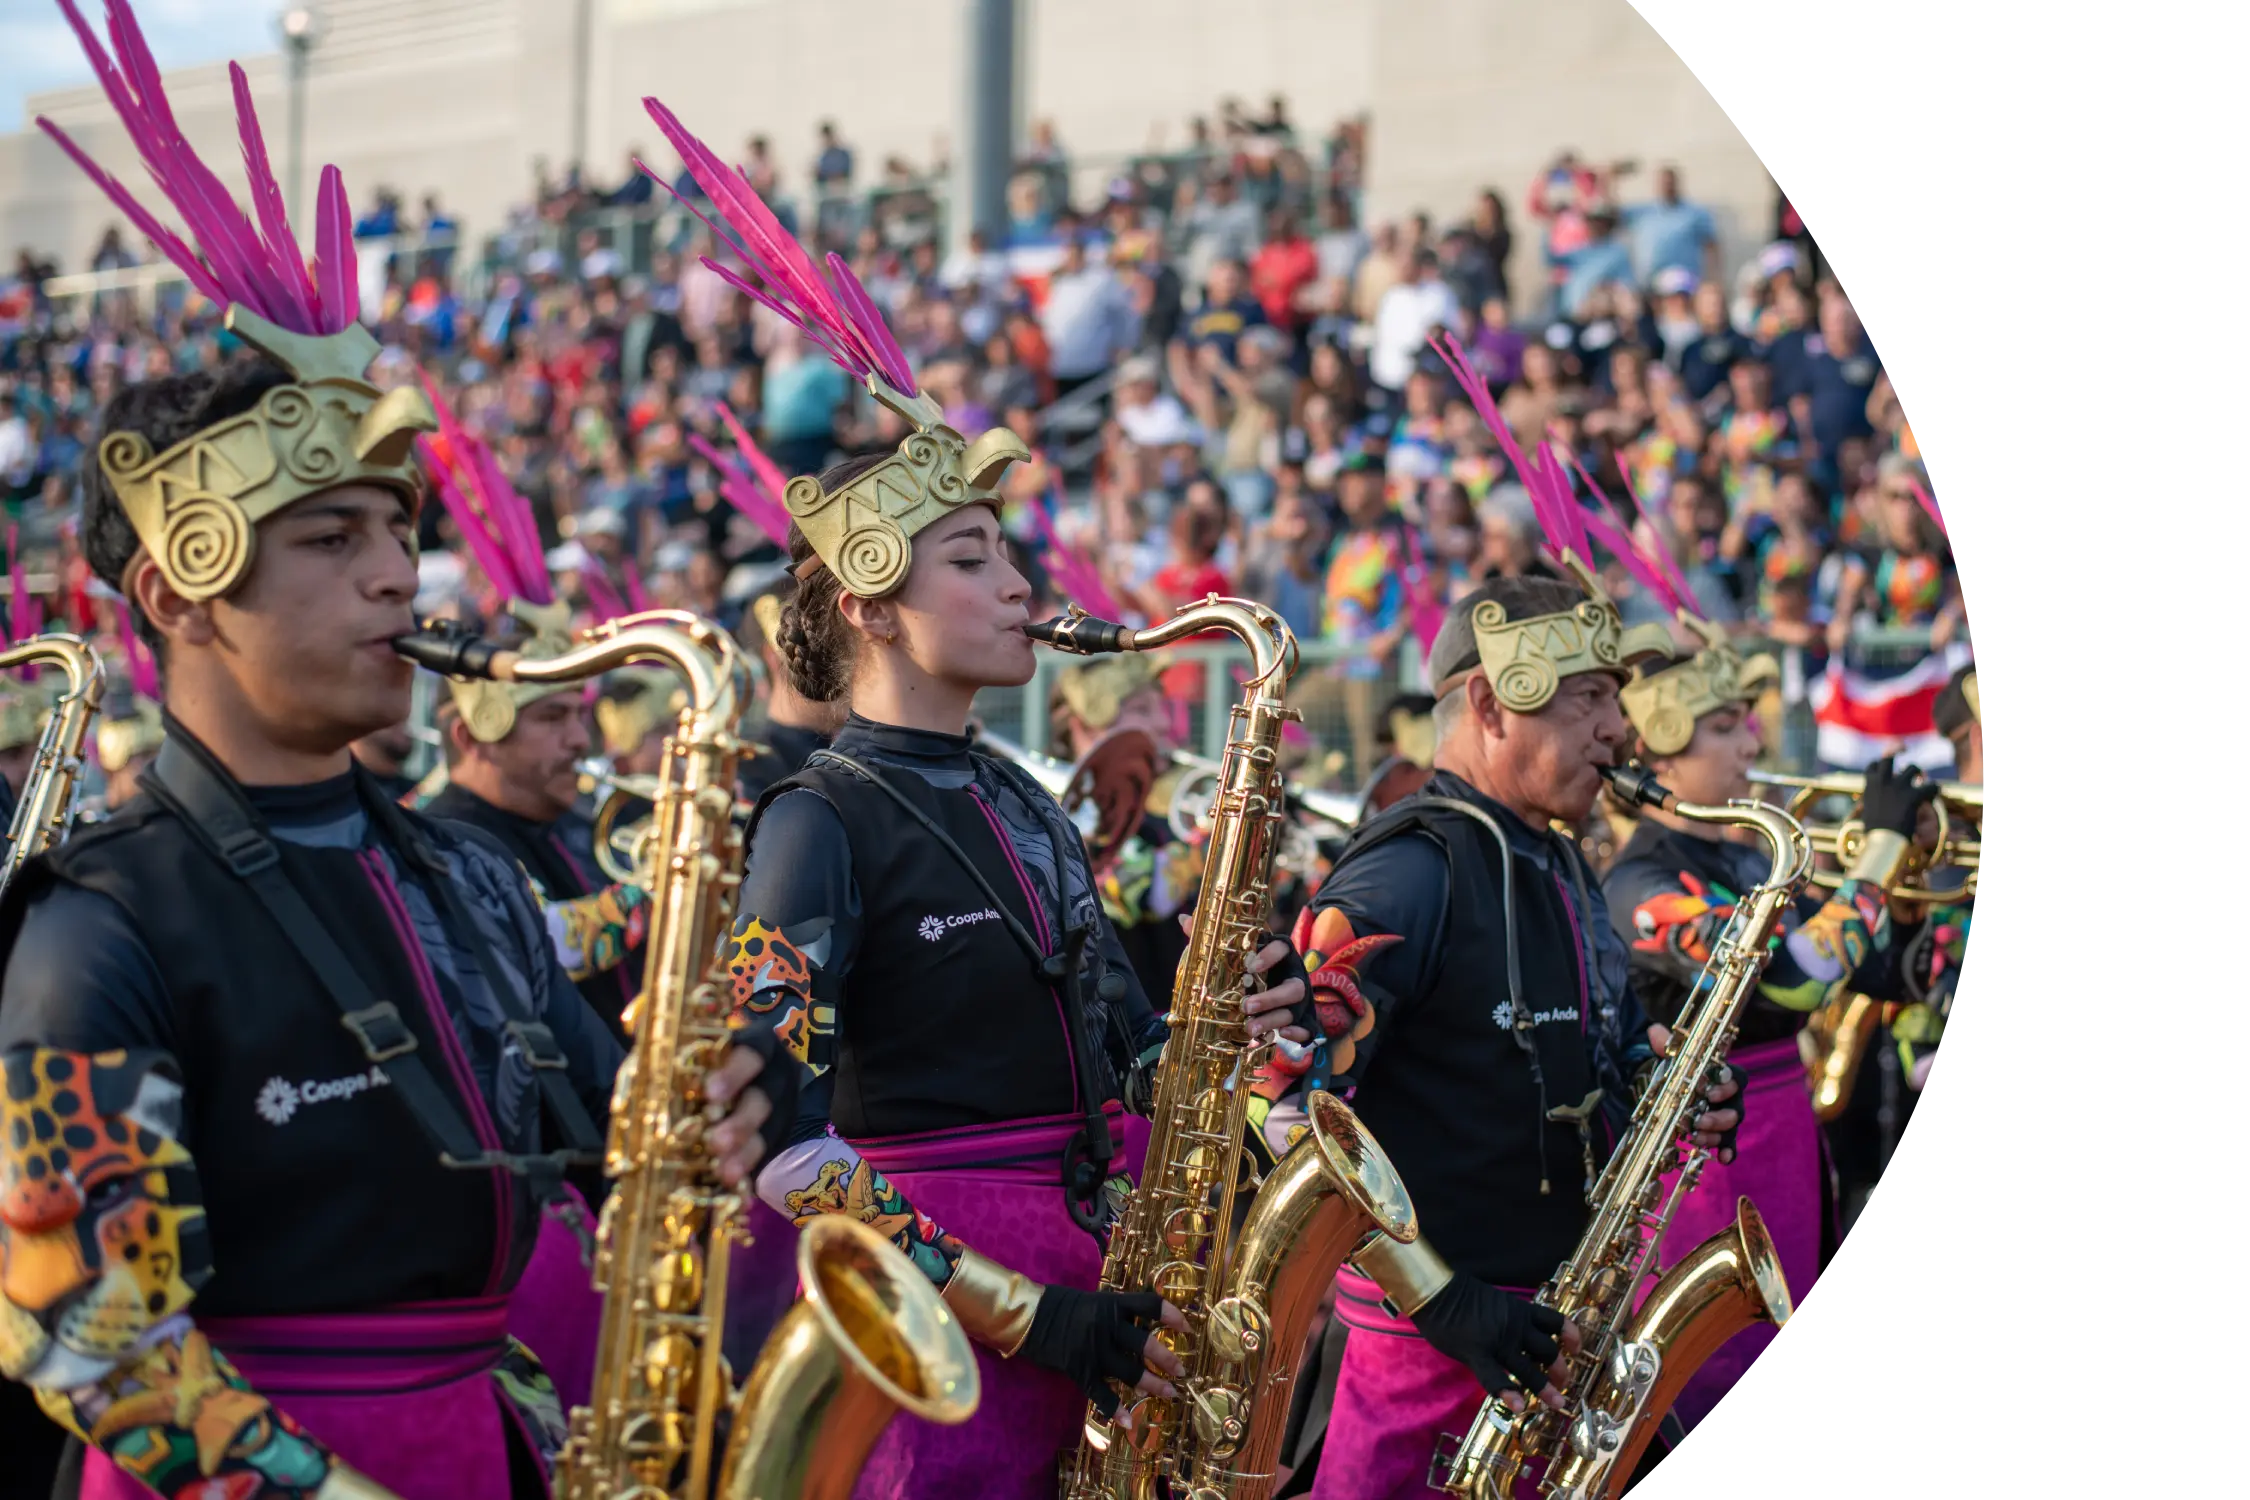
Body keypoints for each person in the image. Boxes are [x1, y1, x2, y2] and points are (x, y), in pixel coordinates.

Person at [0, 24, 790, 1497]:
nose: (399, 582)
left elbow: (618, 1122)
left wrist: (717, 1099)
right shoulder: (97, 923)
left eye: (401, 534)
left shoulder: (462, 878)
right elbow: (87, 1344)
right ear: (178, 591)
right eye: (331, 538)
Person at [643, 108, 1313, 1499]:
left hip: (1092, 1286)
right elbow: (776, 1135)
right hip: (936, 1328)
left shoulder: (1017, 792)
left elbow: (1107, 1040)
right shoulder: (813, 820)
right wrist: (1017, 1306)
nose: (1017, 585)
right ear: (870, 603)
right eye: (971, 557)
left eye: (1005, 552)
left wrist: (1190, 1039)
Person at [1254, 563, 1745, 1500]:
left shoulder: (1554, 854)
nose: (1619, 728)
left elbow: (1580, 1051)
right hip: (1427, 1372)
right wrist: (1443, 1299)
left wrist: (1660, 1088)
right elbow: (1276, 1098)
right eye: (1591, 697)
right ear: (1491, 701)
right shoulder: (1410, 871)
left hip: (1549, 1348)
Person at [1602, 612, 1937, 1438]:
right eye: (1723, 729)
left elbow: (1877, 965)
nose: (1751, 744)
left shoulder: (1752, 852)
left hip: (1787, 1133)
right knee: (1719, 1357)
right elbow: (1787, 982)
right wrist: (1878, 852)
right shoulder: (1640, 878)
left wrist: (1907, 874)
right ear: (1657, 753)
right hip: (1707, 1151)